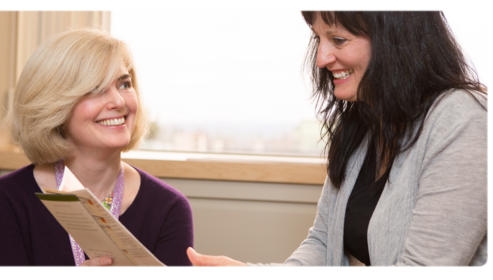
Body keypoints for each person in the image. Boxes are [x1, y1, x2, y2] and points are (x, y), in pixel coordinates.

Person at [187, 8, 489, 269]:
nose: (321, 58)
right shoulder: (363, 124)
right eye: (318, 38)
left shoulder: (464, 118)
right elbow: (323, 244)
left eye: (338, 40)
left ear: (396, 39)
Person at [0, 29, 194, 269]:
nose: (119, 102)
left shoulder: (169, 208)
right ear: (54, 105)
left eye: (124, 84)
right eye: (96, 88)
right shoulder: (6, 201)